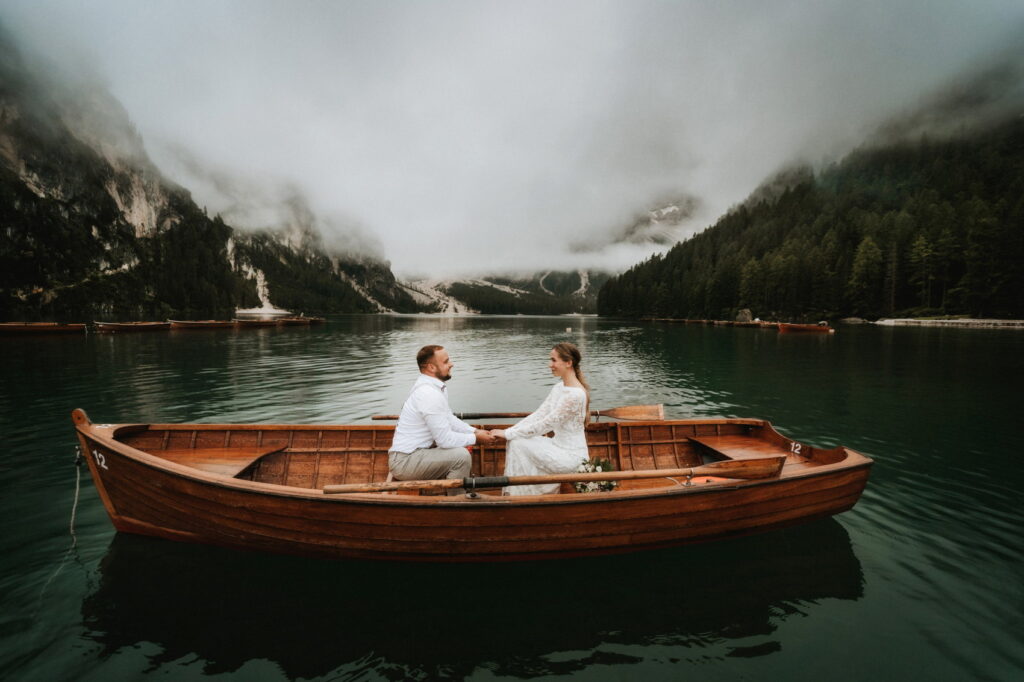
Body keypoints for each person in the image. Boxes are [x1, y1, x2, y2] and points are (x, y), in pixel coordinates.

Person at [388, 344, 495, 494]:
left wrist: (475, 431)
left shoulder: (433, 387)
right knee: (461, 456)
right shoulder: (429, 394)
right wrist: (476, 439)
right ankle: (455, 500)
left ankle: (445, 491)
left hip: (416, 454)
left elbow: (449, 418)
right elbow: (444, 440)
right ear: (431, 368)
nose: (451, 364)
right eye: (445, 362)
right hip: (405, 462)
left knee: (460, 446)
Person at [490, 342, 590, 495]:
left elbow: (546, 424)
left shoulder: (576, 395)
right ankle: (526, 493)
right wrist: (508, 431)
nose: (549, 364)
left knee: (517, 442)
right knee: (517, 440)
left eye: (553, 360)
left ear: (568, 363)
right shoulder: (559, 388)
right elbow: (539, 415)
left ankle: (520, 496)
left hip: (572, 457)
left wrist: (507, 435)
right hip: (557, 447)